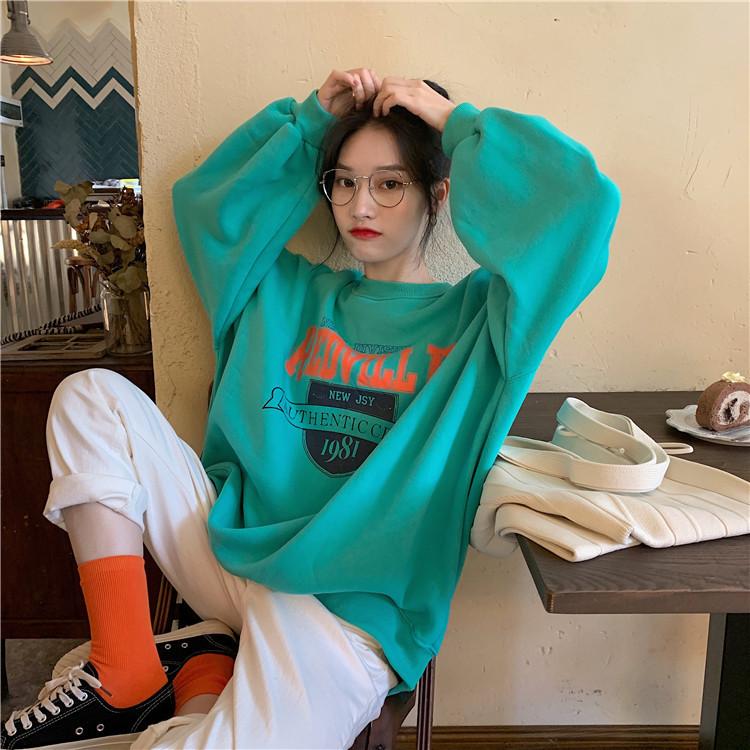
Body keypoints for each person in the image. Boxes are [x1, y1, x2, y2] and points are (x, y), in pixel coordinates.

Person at [1, 67, 621, 749]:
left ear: (438, 194)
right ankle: (127, 670)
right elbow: (207, 208)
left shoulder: (483, 326)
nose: (361, 205)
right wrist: (307, 123)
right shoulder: (280, 292)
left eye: (390, 183)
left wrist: (456, 122)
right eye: (344, 182)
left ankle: (202, 677)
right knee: (90, 396)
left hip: (349, 623)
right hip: (232, 560)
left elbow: (581, 212)